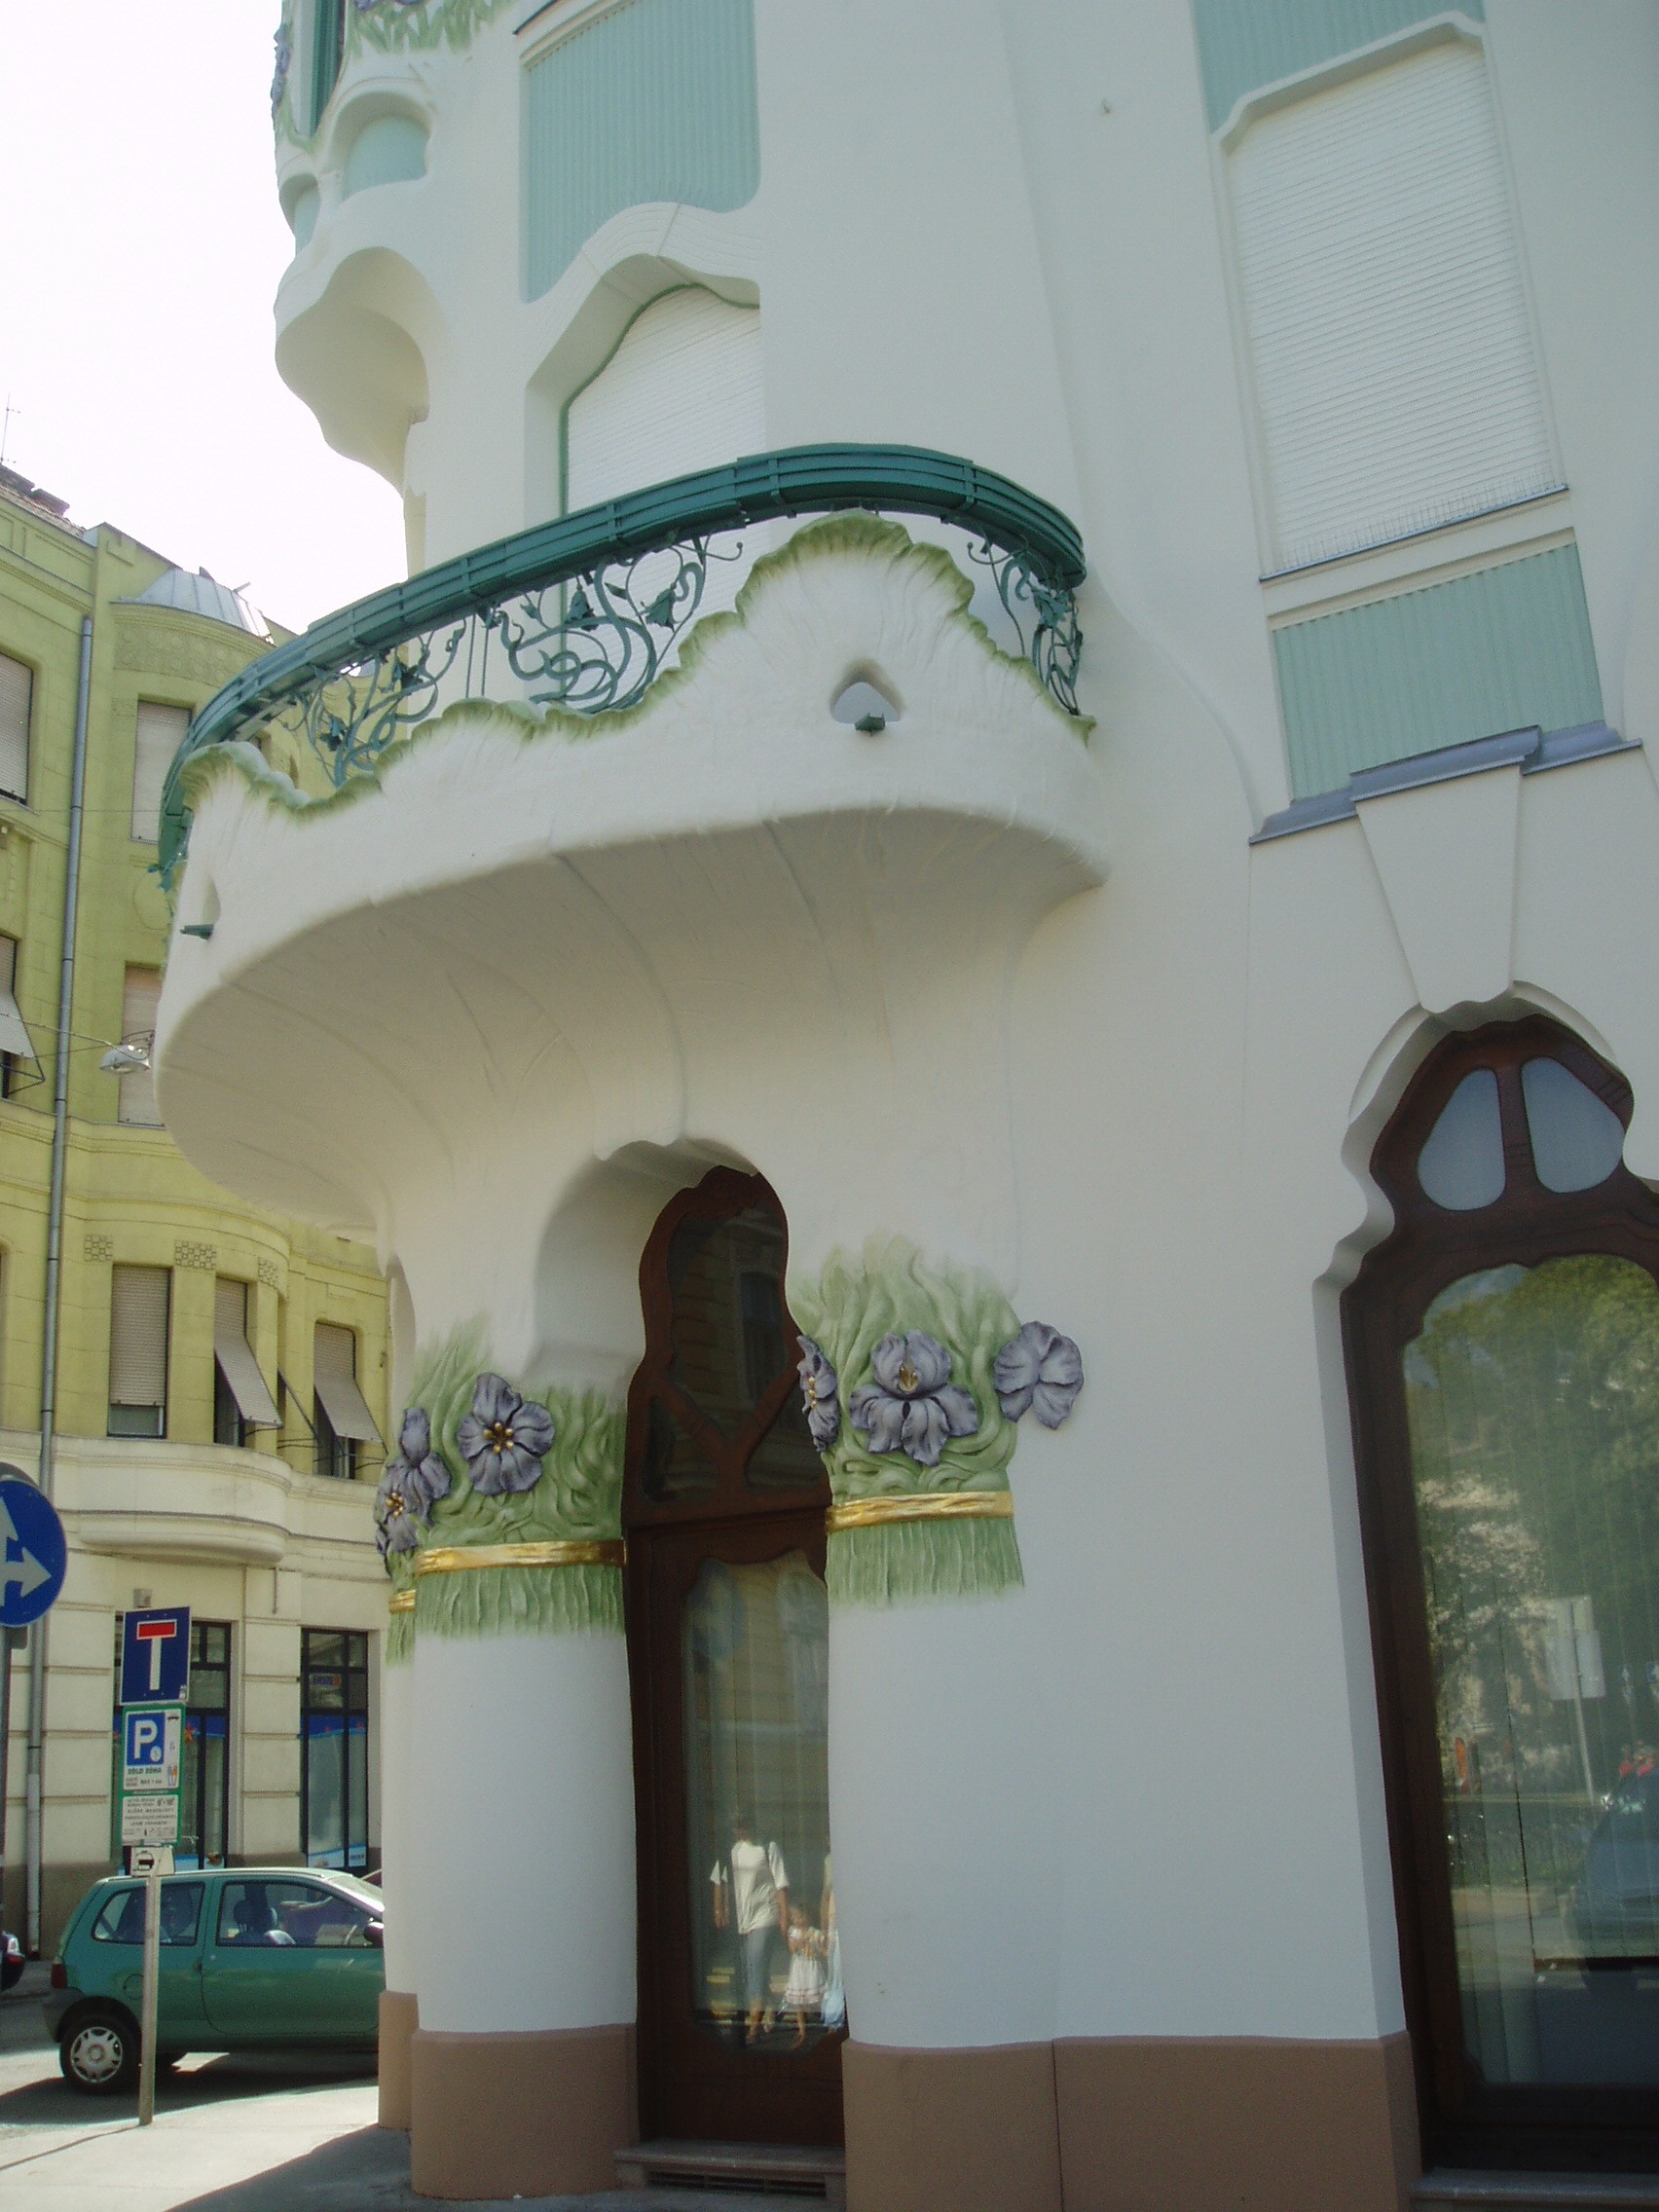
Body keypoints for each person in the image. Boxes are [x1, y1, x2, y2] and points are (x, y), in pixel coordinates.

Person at [711, 1807, 789, 2043]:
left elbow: (781, 1883)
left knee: (755, 1966)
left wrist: (784, 1916)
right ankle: (774, 2005)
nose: (739, 1831)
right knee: (749, 1970)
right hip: (741, 1918)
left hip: (765, 1915)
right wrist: (719, 1909)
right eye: (736, 1827)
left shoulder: (768, 1847)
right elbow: (718, 1880)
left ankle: (753, 2027)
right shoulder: (732, 1851)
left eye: (743, 1826)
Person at [782, 1903, 826, 2046]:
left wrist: (815, 1945)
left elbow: (822, 1952)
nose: (796, 1920)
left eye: (799, 1916)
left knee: (816, 2000)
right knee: (798, 2003)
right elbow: (792, 1949)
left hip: (812, 1968)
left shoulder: (815, 1933)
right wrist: (800, 1942)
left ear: (807, 1917)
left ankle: (824, 2022)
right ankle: (802, 2031)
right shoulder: (793, 1932)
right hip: (799, 1969)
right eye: (793, 1917)